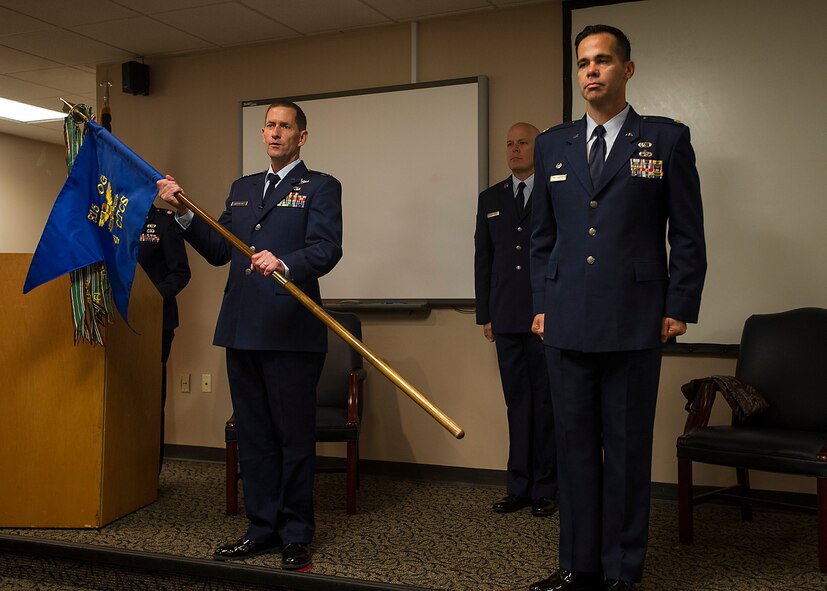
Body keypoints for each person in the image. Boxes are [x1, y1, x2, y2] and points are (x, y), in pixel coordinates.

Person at [528, 25, 706, 591]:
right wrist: (540, 303)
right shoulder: (552, 144)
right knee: (575, 453)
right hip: (566, 322)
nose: (591, 71)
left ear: (627, 70)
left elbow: (689, 234)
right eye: (583, 63)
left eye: (603, 61)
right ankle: (578, 566)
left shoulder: (665, 140)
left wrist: (679, 303)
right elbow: (540, 238)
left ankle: (622, 570)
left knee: (627, 454)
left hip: (634, 321)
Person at [156, 100, 343, 571]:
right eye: (269, 126)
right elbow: (220, 249)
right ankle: (262, 529)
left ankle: (296, 533)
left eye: (285, 126)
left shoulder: (320, 186)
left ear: (302, 137)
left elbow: (326, 248)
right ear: (262, 135)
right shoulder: (243, 188)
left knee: (293, 437)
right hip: (240, 330)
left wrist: (286, 263)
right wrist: (183, 214)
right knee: (255, 437)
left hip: (290, 332)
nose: (276, 133)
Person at [474, 122, 558, 518]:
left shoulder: (556, 189)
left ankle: (546, 486)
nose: (514, 150)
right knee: (517, 403)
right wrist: (486, 316)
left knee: (545, 403)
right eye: (509, 144)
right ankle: (518, 486)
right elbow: (484, 260)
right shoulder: (490, 197)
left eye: (523, 143)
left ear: (538, 148)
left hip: (547, 314)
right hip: (506, 315)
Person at [138, 204, 191, 471]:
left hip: (155, 321)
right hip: (114, 322)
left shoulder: (162, 222)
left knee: (147, 397)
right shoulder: (112, 220)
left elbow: (180, 273)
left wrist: (150, 297)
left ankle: (148, 471)